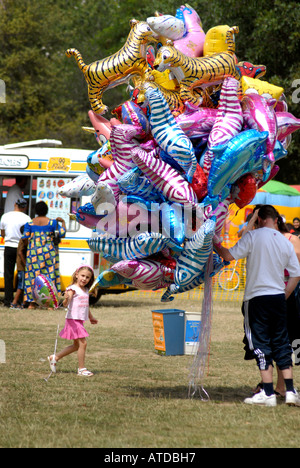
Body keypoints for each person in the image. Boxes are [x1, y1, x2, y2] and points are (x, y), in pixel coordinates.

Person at [214, 204, 300, 407]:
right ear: (275, 219)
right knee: (281, 343)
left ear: (259, 218)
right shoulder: (284, 240)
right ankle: (290, 391)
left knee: (260, 344)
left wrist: (213, 240)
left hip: (257, 298)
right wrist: (285, 294)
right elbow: (296, 273)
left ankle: (268, 393)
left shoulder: (252, 237)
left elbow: (228, 255)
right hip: (278, 297)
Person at [47, 265, 98, 377]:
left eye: (87, 277)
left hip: (79, 321)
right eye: (82, 276)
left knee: (76, 346)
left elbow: (86, 306)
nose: (84, 279)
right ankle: (81, 369)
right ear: (77, 275)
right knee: (83, 343)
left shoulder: (85, 290)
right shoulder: (72, 289)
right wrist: (66, 298)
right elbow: (66, 303)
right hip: (73, 320)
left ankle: (55, 357)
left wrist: (91, 317)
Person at [22, 201, 66, 309]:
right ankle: (50, 305)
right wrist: (63, 222)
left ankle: (31, 303)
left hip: (33, 253)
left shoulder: (30, 223)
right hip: (48, 253)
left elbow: (24, 237)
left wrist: (31, 246)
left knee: (33, 276)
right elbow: (62, 233)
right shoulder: (52, 223)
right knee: (49, 277)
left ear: (35, 211)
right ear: (46, 211)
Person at [0, 198, 31, 307]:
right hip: (21, 248)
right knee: (21, 273)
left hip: (8, 246)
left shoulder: (5, 216)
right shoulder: (27, 218)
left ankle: (8, 300)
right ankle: (20, 300)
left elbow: (2, 233)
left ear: (15, 204)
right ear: (25, 207)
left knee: (8, 274)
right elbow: (28, 234)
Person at [10, 233, 28, 309]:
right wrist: (25, 264)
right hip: (22, 267)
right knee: (21, 285)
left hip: (22, 267)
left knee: (23, 285)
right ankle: (14, 303)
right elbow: (20, 252)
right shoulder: (23, 240)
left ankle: (23, 303)